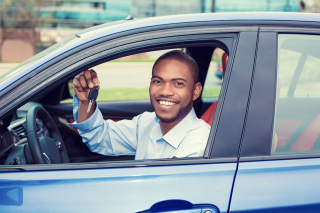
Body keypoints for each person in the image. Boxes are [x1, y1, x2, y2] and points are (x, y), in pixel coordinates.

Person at [70, 50, 210, 160]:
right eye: (157, 81)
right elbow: (99, 137)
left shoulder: (200, 145)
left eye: (178, 83)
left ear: (196, 91)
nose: (165, 91)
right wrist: (86, 101)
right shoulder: (146, 123)